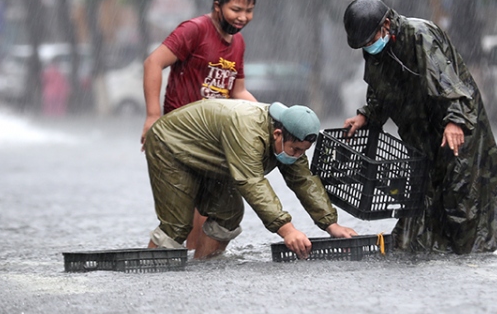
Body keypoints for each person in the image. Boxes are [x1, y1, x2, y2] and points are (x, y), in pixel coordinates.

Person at [341, 0, 497, 254]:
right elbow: (381, 89)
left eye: (371, 40)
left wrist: (455, 120)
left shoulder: (419, 36)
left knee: (459, 195)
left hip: (454, 126)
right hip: (420, 131)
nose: (369, 47)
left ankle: (464, 255)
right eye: (364, 44)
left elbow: (448, 82)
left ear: (386, 25)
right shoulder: (377, 50)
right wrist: (366, 115)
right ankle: (423, 249)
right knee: (422, 192)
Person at [145, 99, 358, 259]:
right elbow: (252, 182)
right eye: (294, 149)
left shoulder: (292, 136)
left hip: (214, 157)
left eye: (303, 151)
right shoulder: (248, 131)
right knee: (176, 225)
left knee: (227, 215)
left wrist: (331, 224)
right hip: (171, 145)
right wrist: (287, 230)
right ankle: (150, 278)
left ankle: (202, 270)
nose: (296, 155)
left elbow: (304, 180)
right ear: (277, 134)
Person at [141, 0, 259, 257]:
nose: (243, 17)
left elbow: (238, 91)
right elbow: (153, 63)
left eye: (249, 11)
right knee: (181, 220)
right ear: (217, 6)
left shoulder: (238, 43)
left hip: (215, 140)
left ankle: (202, 269)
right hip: (181, 137)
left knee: (223, 213)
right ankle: (162, 271)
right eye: (236, 9)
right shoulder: (194, 29)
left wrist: (268, 116)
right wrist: (152, 116)